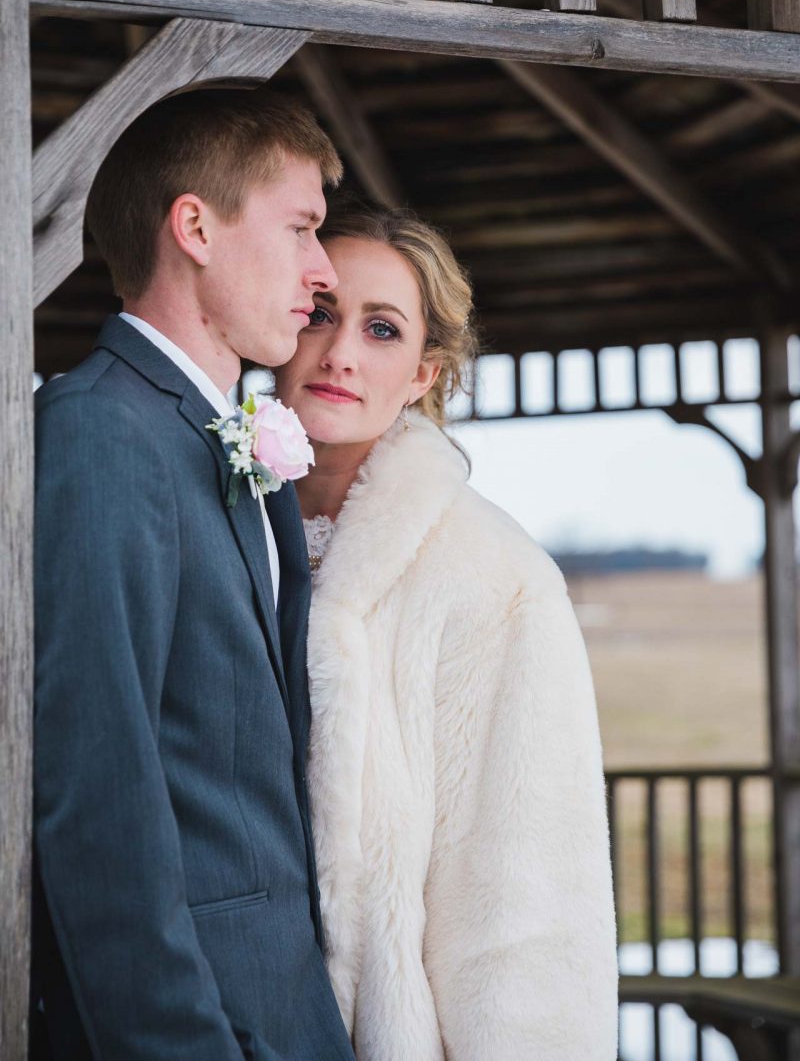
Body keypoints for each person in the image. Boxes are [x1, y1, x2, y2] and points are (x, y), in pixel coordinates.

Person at [32, 89, 356, 1060]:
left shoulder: (218, 438)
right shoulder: (99, 432)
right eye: (300, 227)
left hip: (283, 1006)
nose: (322, 271)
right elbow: (97, 793)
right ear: (196, 228)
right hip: (202, 1024)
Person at [273, 204, 618, 1061]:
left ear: (423, 373)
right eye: (320, 313)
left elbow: (527, 903)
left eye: (381, 330)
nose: (340, 352)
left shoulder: (499, 579)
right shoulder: (216, 528)